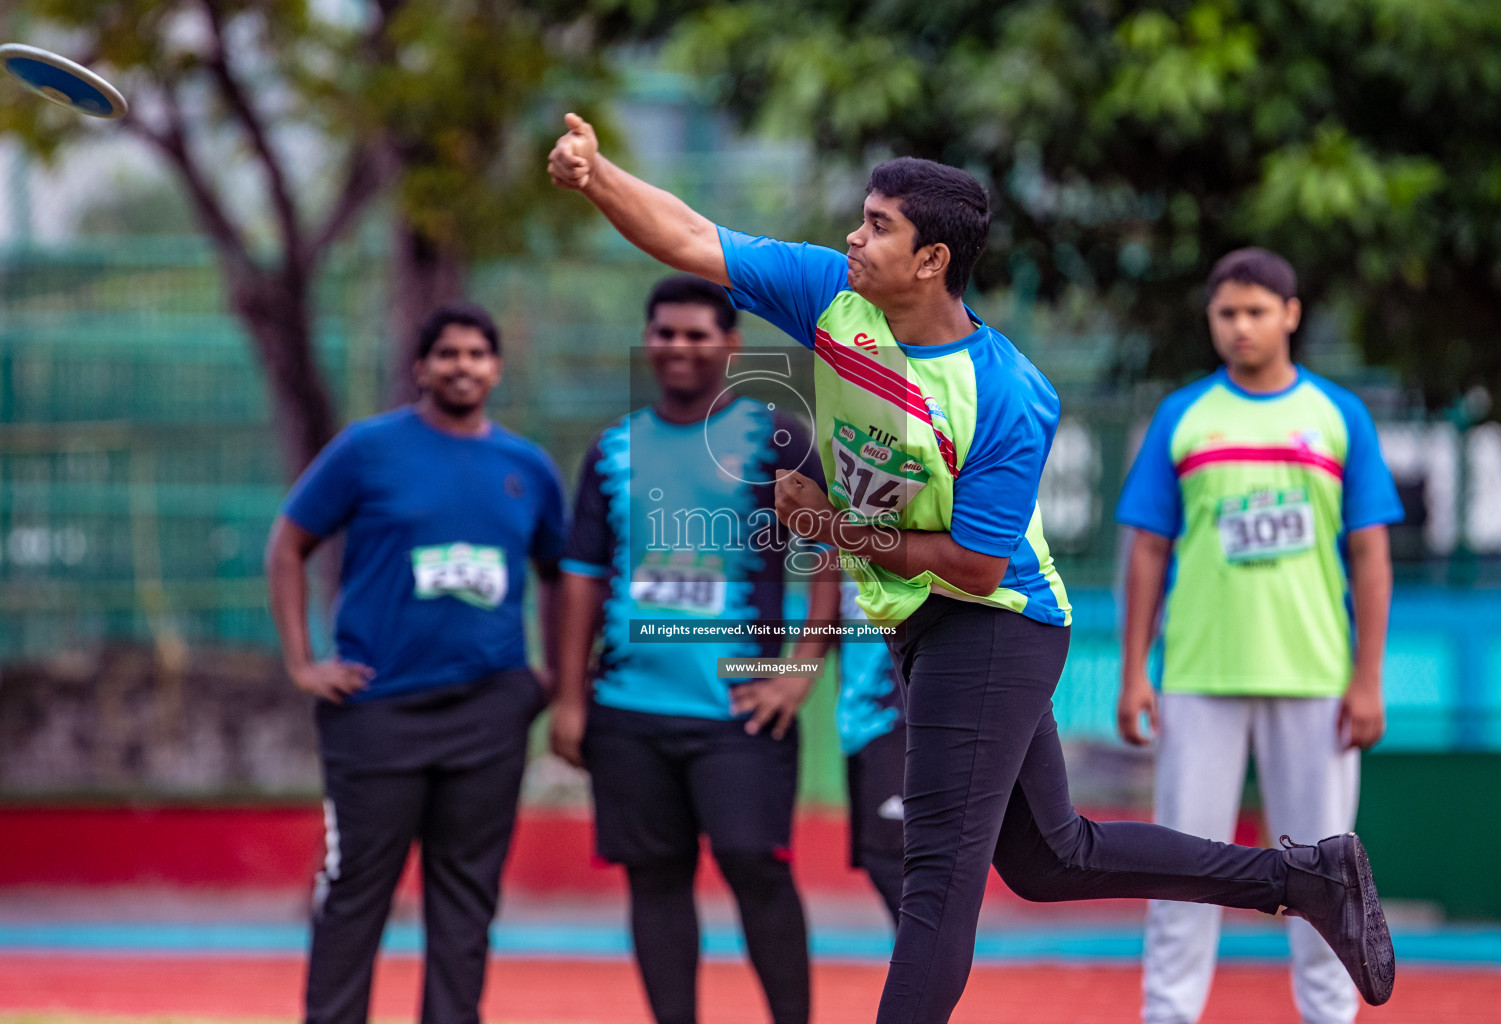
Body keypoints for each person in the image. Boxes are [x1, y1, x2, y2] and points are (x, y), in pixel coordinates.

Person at [546, 114, 1398, 1023]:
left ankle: (1301, 877)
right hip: (923, 621)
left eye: (878, 225)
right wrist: (598, 175)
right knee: (1048, 859)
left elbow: (978, 563)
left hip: (994, 621)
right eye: (862, 217)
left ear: (932, 260)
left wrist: (833, 524)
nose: (853, 236)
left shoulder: (1006, 393)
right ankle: (1303, 877)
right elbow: (687, 236)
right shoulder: (835, 297)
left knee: (938, 876)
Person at [1115, 248, 1403, 1024]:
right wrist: (1135, 671)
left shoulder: (1339, 416)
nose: (1240, 326)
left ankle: (1330, 1016)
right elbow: (1146, 548)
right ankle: (1168, 1015)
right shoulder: (1182, 416)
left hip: (1316, 680)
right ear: (1211, 320)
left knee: (1328, 876)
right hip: (1198, 678)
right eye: (1226, 313)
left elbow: (1371, 554)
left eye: (1256, 311)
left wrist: (1367, 678)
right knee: (1183, 869)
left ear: (1291, 315)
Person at [548, 275, 841, 1024]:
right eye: (666, 333)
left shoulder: (776, 438)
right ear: (649, 342)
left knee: (756, 869)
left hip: (740, 709)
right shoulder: (611, 451)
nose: (679, 347)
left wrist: (802, 668)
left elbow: (833, 557)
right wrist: (571, 700)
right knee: (655, 879)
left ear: (730, 345)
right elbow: (580, 579)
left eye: (696, 334)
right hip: (628, 712)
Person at [265, 303, 565, 1024]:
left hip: (489, 714)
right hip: (376, 710)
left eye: (477, 354)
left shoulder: (526, 467)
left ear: (495, 368)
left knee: (466, 902)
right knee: (354, 892)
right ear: (421, 367)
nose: (463, 365)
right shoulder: (367, 450)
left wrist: (548, 677)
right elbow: (287, 545)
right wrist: (305, 664)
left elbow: (562, 572)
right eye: (448, 354)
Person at [835, 579, 907, 924]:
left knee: (897, 859)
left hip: (905, 714)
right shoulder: (829, 537)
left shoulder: (915, 528)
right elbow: (820, 628)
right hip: (857, 720)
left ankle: (925, 974)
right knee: (877, 855)